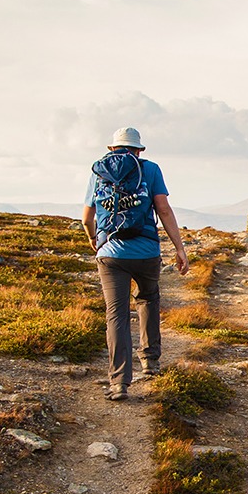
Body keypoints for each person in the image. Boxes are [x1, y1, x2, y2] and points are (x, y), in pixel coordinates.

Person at [81, 127, 189, 401]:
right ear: (139, 150)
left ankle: (119, 383)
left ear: (112, 149)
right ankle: (150, 362)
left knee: (116, 314)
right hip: (146, 251)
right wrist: (179, 247)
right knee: (148, 300)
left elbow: (86, 217)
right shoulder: (150, 170)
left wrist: (95, 239)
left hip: (110, 254)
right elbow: (163, 209)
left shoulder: (98, 172)